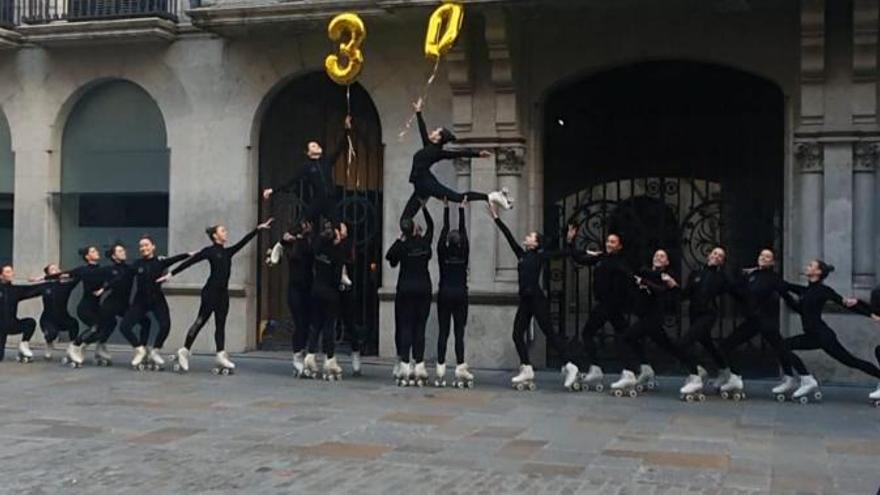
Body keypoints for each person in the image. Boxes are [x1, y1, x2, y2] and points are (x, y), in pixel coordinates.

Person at [488, 203, 581, 390]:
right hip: (525, 300)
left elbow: (566, 253)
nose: (527, 236)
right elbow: (508, 236)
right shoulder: (521, 254)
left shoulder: (540, 255)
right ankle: (527, 368)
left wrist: (570, 240)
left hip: (537, 300)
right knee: (516, 335)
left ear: (536, 242)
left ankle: (571, 366)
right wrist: (496, 218)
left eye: (530, 236)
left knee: (550, 333)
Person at [166, 219, 273, 372]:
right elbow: (190, 262)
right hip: (210, 292)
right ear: (215, 236)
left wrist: (258, 229)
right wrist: (171, 274)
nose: (226, 232)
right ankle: (184, 350)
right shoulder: (209, 251)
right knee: (200, 321)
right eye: (222, 231)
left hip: (223, 294)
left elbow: (243, 242)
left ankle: (220, 355)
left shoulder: (227, 252)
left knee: (220, 324)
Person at [781, 260, 880, 402]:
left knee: (851, 361)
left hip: (823, 336)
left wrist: (870, 314)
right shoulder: (806, 290)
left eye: (810, 266)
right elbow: (785, 287)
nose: (806, 267)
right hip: (812, 335)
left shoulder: (823, 291)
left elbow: (845, 304)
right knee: (783, 346)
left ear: (818, 272)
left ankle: (807, 379)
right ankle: (805, 379)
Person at [400, 98, 511, 223]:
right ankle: (410, 235)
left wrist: (478, 154)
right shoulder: (429, 146)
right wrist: (418, 112)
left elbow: (458, 153)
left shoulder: (437, 152)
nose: (433, 131)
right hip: (421, 187)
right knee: (404, 220)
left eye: (436, 131)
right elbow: (423, 131)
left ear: (438, 138)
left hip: (427, 184)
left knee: (458, 197)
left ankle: (491, 196)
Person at [610, 249, 693, 394]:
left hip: (653, 318)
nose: (658, 258)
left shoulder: (667, 277)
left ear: (667, 262)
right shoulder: (645, 271)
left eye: (662, 256)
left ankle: (629, 373)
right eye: (656, 255)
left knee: (624, 339)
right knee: (668, 346)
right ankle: (693, 369)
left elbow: (662, 290)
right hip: (646, 317)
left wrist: (644, 282)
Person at [715, 249, 795, 398]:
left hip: (765, 321)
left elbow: (788, 290)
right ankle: (735, 377)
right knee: (726, 345)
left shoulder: (773, 278)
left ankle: (792, 378)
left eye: (768, 257)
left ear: (772, 262)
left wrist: (805, 299)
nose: (764, 258)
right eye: (762, 256)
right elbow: (736, 289)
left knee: (781, 347)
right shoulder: (752, 275)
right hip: (753, 321)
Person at [65, 243, 150, 367]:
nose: (123, 252)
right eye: (120, 251)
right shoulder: (104, 269)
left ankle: (140, 349)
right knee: (100, 328)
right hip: (101, 305)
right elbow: (77, 274)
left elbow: (135, 272)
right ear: (114, 256)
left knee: (143, 321)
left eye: (123, 250)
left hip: (118, 305)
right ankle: (77, 346)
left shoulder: (127, 268)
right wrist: (48, 277)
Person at [262, 116, 352, 226]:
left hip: (330, 201)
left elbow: (339, 148)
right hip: (317, 201)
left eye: (317, 144)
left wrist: (346, 130)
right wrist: (273, 190)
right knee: (302, 224)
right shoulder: (306, 167)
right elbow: (291, 180)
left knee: (340, 229)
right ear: (308, 153)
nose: (317, 146)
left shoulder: (326, 161)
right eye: (313, 146)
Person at [118, 236, 190, 369]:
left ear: (153, 247)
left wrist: (190, 254)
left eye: (146, 245)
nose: (143, 248)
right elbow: (123, 275)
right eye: (141, 246)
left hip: (157, 299)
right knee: (124, 326)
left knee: (165, 325)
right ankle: (140, 349)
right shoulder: (137, 264)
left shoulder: (159, 261)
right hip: (140, 301)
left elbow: (175, 259)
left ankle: (155, 350)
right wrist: (104, 287)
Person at [575, 233, 633, 390]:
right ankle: (633, 370)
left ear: (619, 246)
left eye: (613, 242)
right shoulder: (602, 258)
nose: (609, 244)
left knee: (588, 333)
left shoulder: (619, 262)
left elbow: (628, 277)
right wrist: (571, 241)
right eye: (608, 241)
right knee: (624, 335)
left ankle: (598, 368)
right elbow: (579, 259)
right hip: (606, 304)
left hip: (610, 304)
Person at [386, 206, 434, 386]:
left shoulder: (403, 245)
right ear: (415, 229)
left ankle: (405, 364)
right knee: (420, 327)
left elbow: (390, 257)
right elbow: (432, 227)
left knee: (405, 326)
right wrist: (424, 207)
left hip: (405, 290)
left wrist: (401, 239)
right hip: (423, 290)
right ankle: (419, 364)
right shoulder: (424, 244)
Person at [677, 247, 732, 398]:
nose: (717, 256)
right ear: (709, 255)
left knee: (683, 344)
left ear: (722, 261)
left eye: (720, 256)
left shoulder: (721, 277)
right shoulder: (697, 273)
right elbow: (687, 293)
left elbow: (734, 289)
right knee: (708, 343)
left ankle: (696, 376)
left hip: (708, 315)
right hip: (694, 314)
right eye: (715, 253)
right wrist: (671, 289)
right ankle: (725, 371)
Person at [435, 198, 473, 387]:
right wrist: (461, 210)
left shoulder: (443, 255)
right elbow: (464, 233)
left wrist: (445, 209)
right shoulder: (464, 254)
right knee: (459, 333)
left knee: (443, 332)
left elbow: (442, 234)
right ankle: (459, 366)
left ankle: (440, 369)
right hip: (460, 294)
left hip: (444, 294)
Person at [308, 221, 348, 380]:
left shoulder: (318, 248)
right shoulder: (335, 252)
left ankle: (310, 356)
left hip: (316, 290)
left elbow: (316, 244)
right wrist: (340, 244)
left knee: (315, 325)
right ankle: (329, 359)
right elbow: (337, 276)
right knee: (328, 327)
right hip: (330, 294)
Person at [280, 220, 314, 376]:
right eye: (305, 227)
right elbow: (283, 247)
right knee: (299, 323)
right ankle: (297, 355)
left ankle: (303, 351)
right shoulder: (292, 247)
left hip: (307, 288)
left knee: (306, 324)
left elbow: (310, 251)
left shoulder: (307, 244)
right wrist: (288, 238)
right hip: (295, 289)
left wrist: (299, 238)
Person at [0, 264, 50, 362]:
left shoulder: (15, 290)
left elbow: (33, 290)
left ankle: (24, 345)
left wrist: (50, 281)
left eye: (11, 271)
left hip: (12, 324)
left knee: (30, 323)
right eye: (8, 272)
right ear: (1, 275)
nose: (11, 274)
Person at [33, 264, 79, 360]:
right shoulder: (44, 287)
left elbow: (78, 277)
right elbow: (28, 292)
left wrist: (68, 275)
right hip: (47, 319)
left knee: (74, 324)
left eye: (57, 268)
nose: (57, 270)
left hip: (63, 317)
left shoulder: (66, 286)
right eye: (53, 269)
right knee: (51, 333)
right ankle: (49, 344)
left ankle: (72, 347)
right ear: (48, 273)